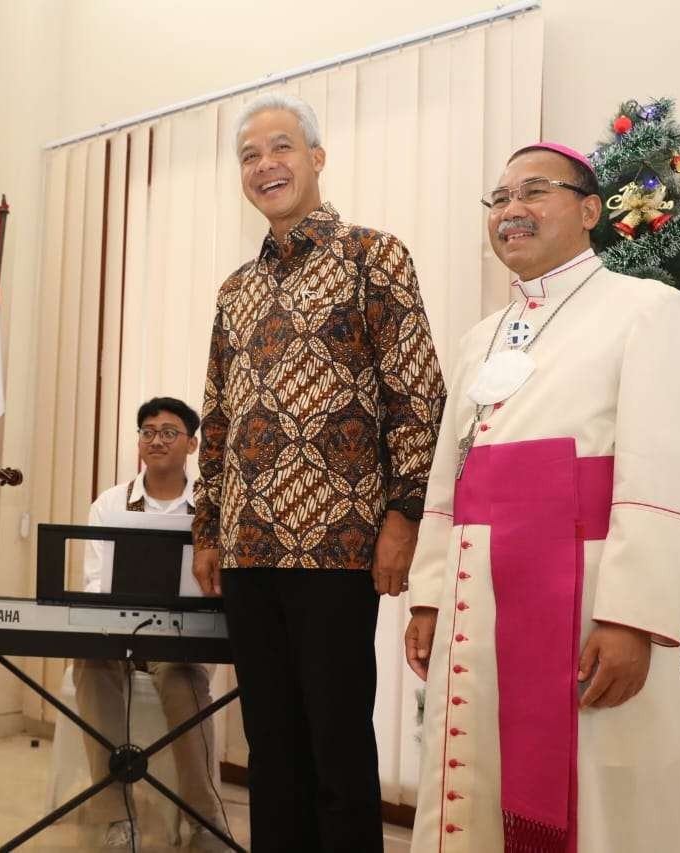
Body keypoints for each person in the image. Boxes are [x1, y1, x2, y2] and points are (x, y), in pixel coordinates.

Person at [405, 143, 680, 852]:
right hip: (476, 598)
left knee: (597, 795)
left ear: (589, 209)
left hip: (586, 598)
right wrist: (429, 595)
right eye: (501, 197)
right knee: (473, 783)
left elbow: (666, 472)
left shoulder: (649, 310)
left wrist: (633, 616)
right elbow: (450, 477)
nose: (512, 209)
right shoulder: (478, 339)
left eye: (535, 192)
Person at [192, 93, 445, 851]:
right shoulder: (235, 290)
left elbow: (417, 394)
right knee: (270, 749)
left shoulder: (376, 256)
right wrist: (208, 528)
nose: (265, 165)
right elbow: (217, 415)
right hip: (245, 550)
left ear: (316, 158)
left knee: (336, 746)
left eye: (281, 148)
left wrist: (404, 516)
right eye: (249, 155)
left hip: (339, 548)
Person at [73, 396, 228, 851]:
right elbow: (96, 582)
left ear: (193, 443)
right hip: (117, 630)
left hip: (182, 638)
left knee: (182, 678)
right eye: (147, 432)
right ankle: (116, 817)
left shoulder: (209, 508)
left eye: (168, 432)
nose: (156, 440)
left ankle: (201, 819)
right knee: (90, 665)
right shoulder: (110, 503)